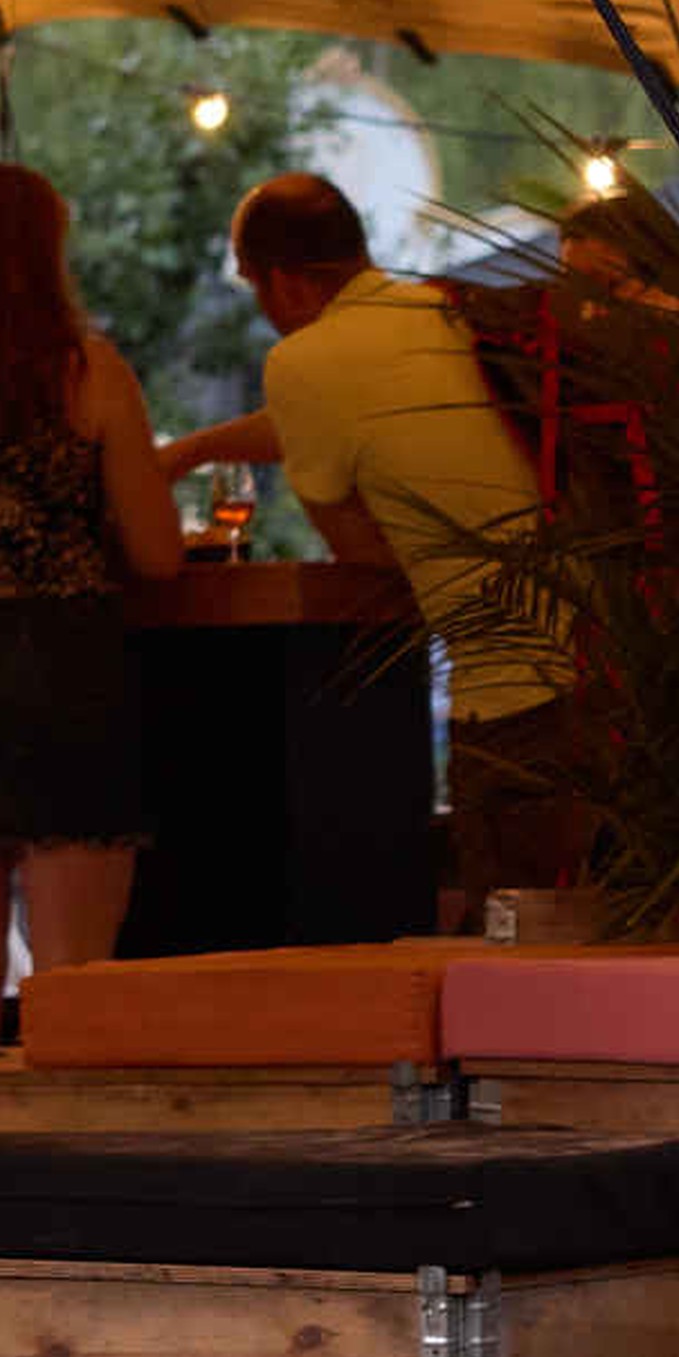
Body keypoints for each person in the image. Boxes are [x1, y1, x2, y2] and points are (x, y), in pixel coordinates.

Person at [167, 172, 584, 908]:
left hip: (515, 701)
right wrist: (189, 451)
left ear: (288, 286)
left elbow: (362, 555)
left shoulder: (304, 363)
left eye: (256, 288)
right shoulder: (436, 311)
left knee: (528, 959)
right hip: (603, 668)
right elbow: (322, 415)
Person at [0, 166, 186, 1039]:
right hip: (65, 670)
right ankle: (65, 1168)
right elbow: (158, 553)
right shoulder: (87, 372)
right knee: (75, 979)